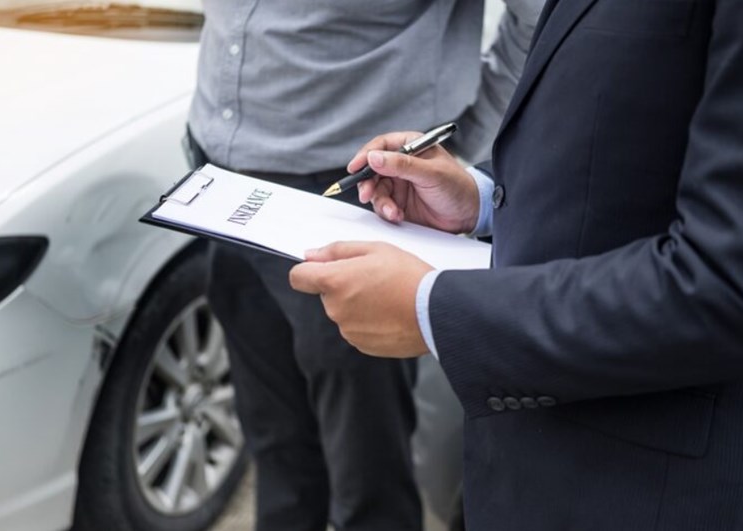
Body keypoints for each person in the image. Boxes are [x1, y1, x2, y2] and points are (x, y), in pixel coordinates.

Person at [289, 1, 743, 530]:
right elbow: (630, 138)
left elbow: (728, 284)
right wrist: (482, 195)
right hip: (537, 465)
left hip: (649, 489)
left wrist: (432, 310)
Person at [186, 2, 544, 530]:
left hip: (357, 196)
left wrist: (466, 153)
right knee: (275, 445)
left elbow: (536, 18)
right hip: (225, 187)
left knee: (365, 473)